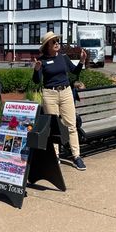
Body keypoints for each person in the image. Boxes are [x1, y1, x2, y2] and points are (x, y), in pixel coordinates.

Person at [32, 31, 88, 170]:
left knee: (71, 125)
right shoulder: (42, 60)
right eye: (53, 41)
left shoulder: (63, 57)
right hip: (50, 94)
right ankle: (55, 156)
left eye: (57, 40)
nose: (57, 43)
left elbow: (74, 72)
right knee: (54, 127)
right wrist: (36, 69)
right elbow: (36, 81)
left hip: (66, 92)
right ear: (47, 46)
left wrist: (81, 61)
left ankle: (76, 156)